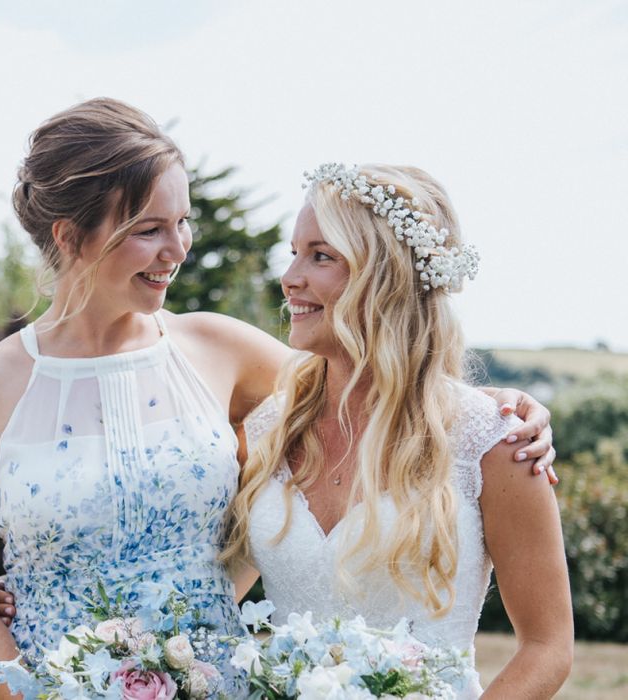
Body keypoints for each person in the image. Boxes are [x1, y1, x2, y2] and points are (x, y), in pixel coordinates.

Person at [0, 98, 552, 698]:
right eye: (150, 230)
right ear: (68, 236)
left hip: (219, 682)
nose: (178, 250)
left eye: (183, 222)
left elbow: (379, 387)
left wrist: (504, 407)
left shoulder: (218, 348)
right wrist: (42, 693)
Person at [222, 163, 573, 699]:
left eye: (321, 256)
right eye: (294, 252)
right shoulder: (270, 428)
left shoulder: (494, 441)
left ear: (384, 275)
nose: (290, 277)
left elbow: (548, 647)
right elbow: (221, 591)